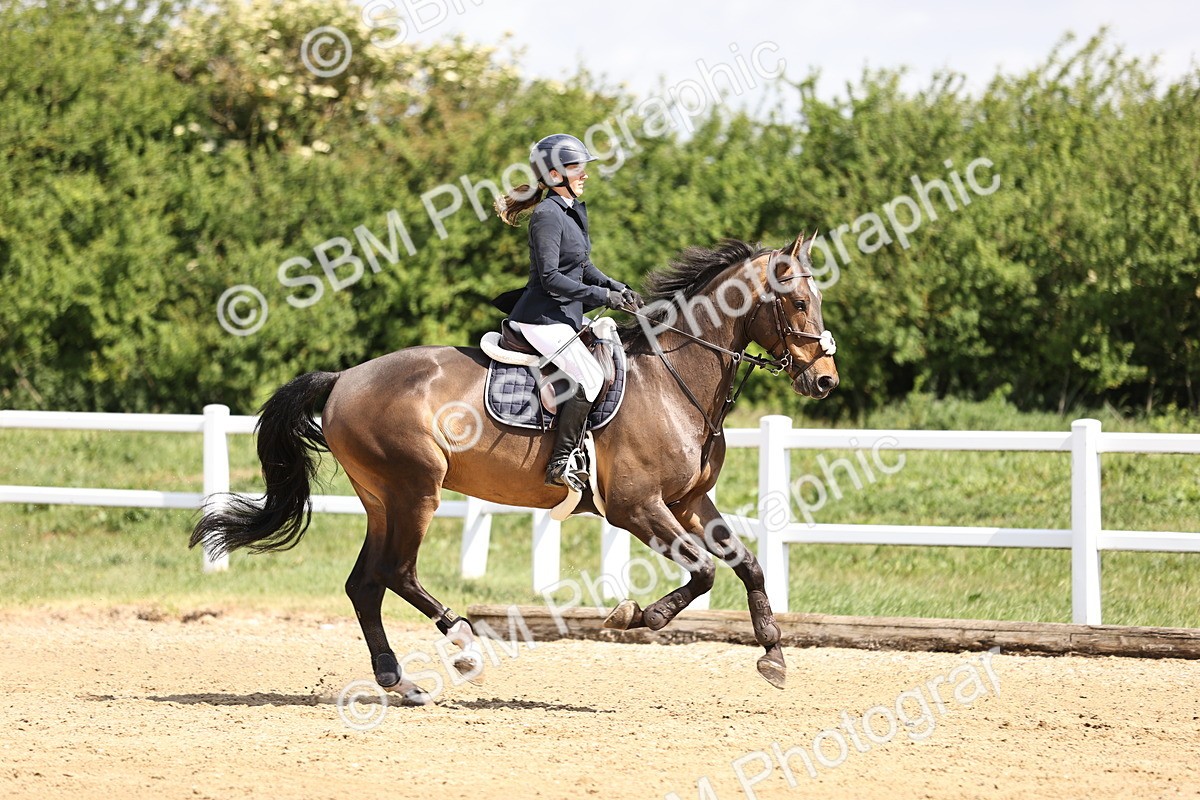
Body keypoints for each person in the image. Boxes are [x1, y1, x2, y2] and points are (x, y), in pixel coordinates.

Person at [493, 133, 644, 491]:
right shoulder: (547, 215)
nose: (585, 174)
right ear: (556, 174)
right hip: (540, 318)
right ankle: (560, 462)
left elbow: (582, 265)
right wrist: (602, 296)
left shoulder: (570, 211)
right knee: (590, 378)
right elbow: (551, 279)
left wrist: (616, 286)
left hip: (563, 315)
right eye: (578, 167)